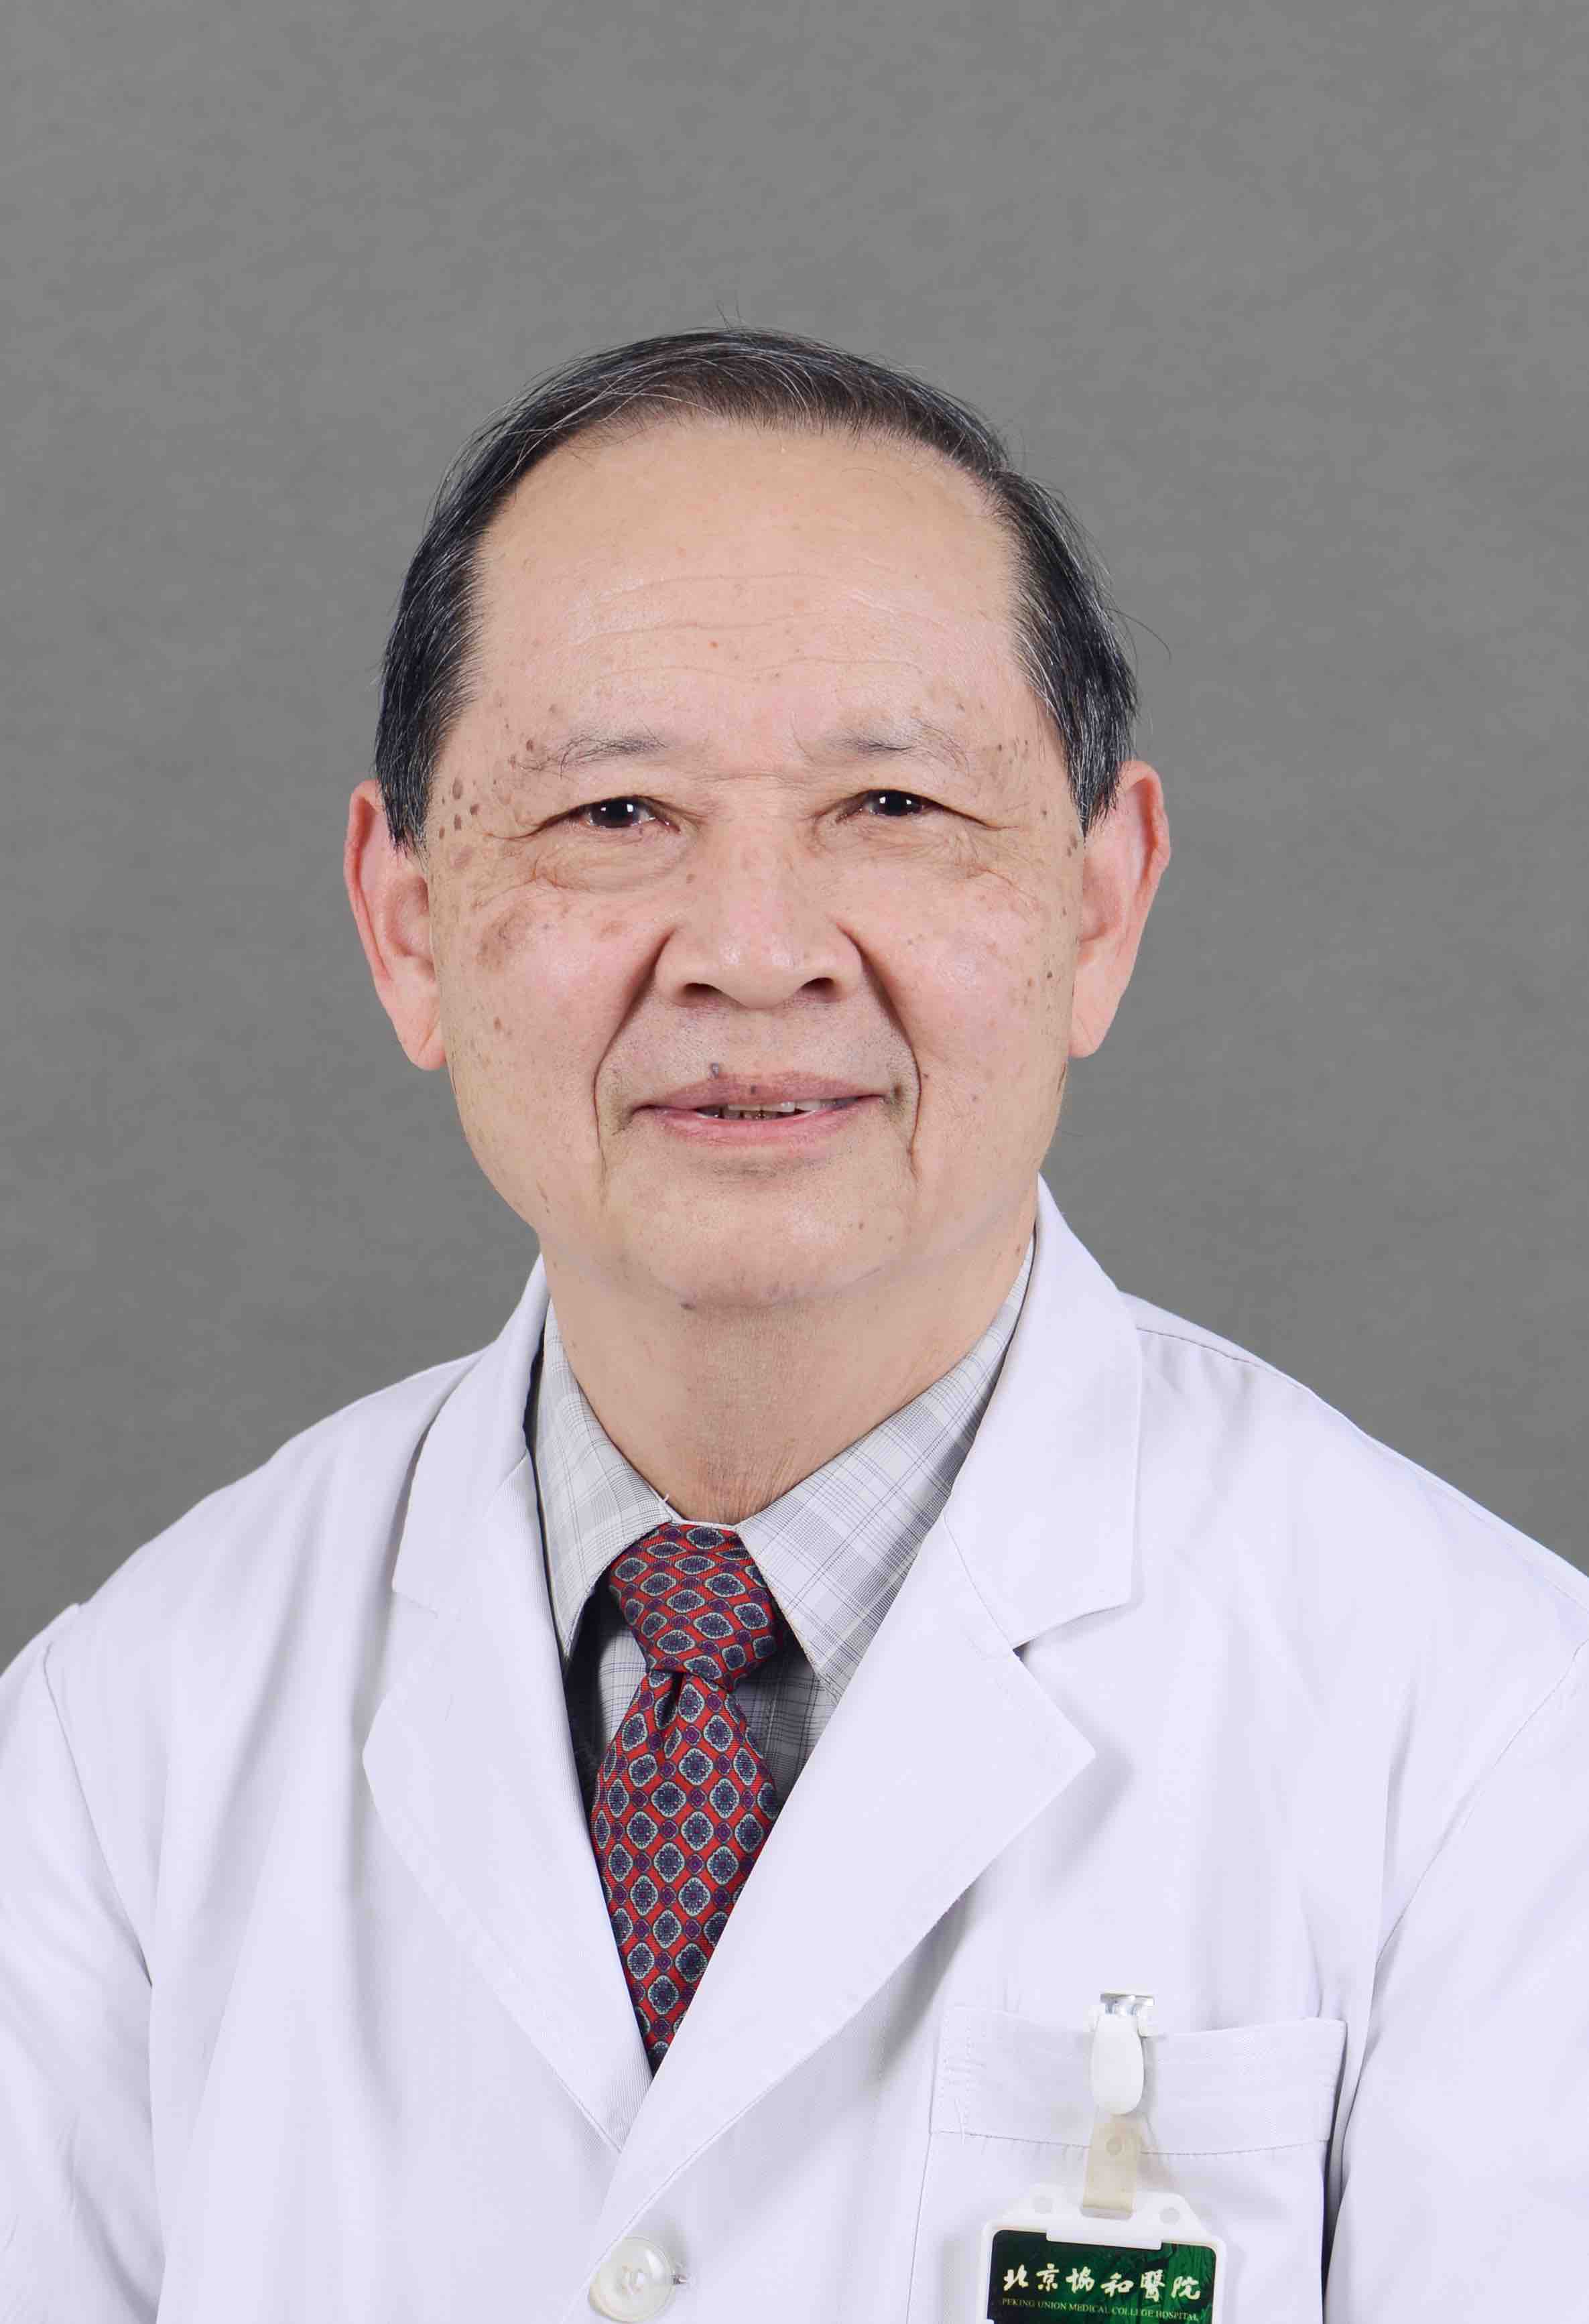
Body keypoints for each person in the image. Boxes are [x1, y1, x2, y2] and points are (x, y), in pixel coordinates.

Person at [1, 326, 1583, 2324]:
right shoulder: (127, 1735)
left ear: (1101, 906)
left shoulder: (1495, 1738)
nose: (752, 955)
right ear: (405, 927)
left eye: (895, 802)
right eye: (613, 814)